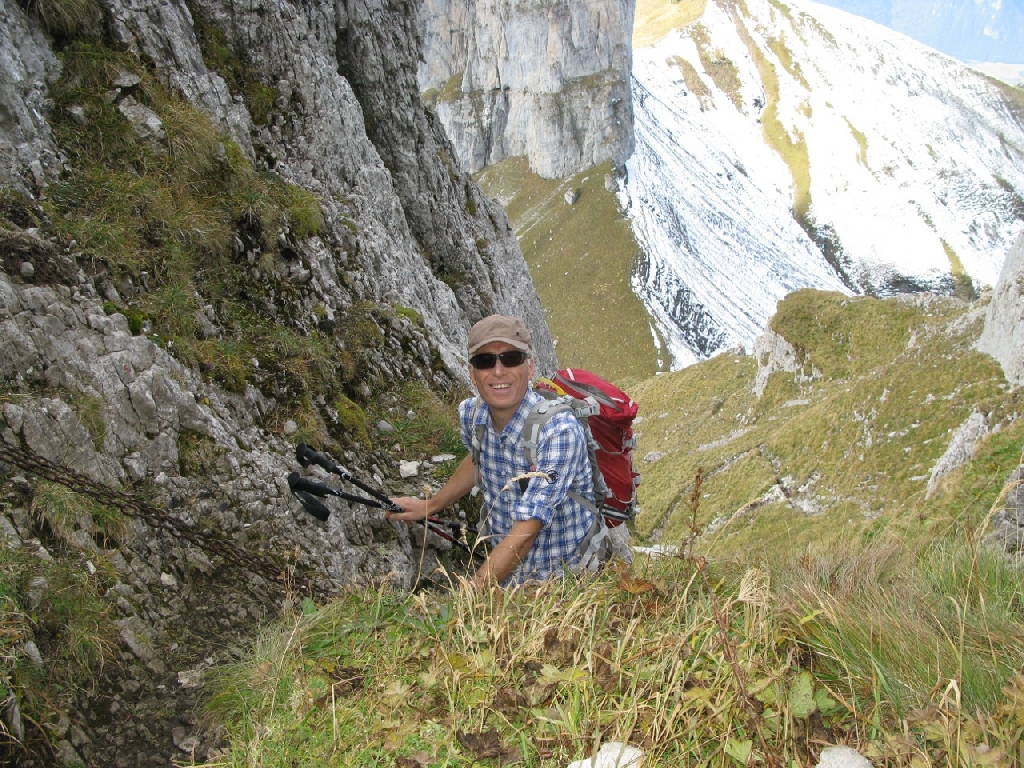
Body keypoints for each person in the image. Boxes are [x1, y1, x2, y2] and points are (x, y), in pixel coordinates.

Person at [389, 314, 597, 589]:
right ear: (472, 373)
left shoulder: (557, 431)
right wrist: (431, 505)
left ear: (530, 367)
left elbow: (526, 532)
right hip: (504, 576)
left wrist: (470, 596)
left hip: (563, 583)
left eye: (510, 358)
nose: (498, 371)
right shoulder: (471, 414)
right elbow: (478, 460)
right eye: (485, 361)